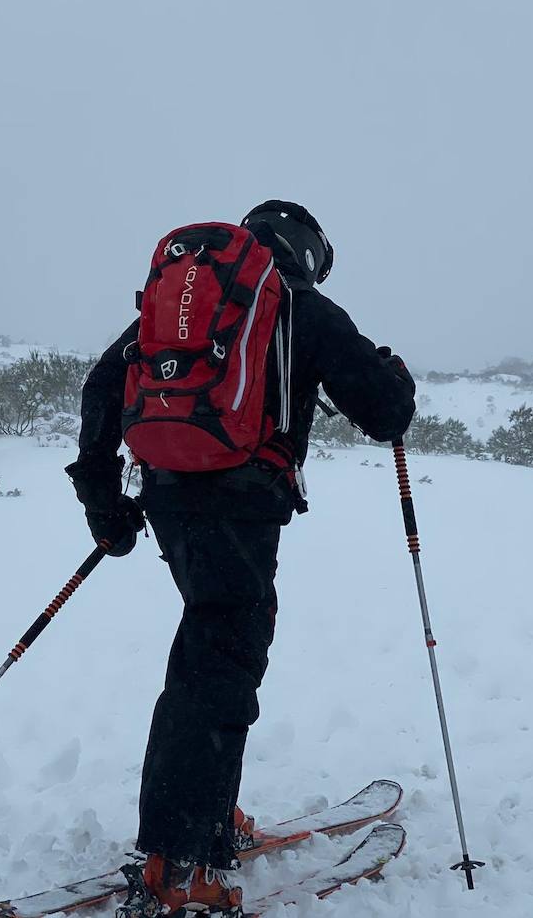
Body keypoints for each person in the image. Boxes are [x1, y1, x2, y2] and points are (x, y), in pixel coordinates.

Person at [65, 201, 416, 917]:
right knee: (222, 665)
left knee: (206, 650)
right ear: (305, 253)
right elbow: (384, 412)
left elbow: (104, 384)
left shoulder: (190, 312)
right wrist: (395, 379)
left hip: (167, 493)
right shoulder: (301, 308)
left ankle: (200, 821)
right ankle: (182, 857)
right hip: (242, 499)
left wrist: (104, 496)